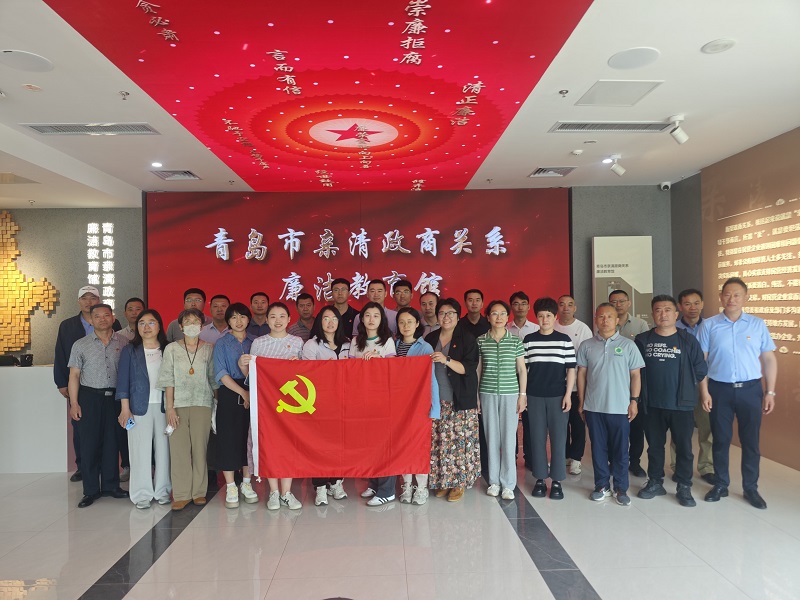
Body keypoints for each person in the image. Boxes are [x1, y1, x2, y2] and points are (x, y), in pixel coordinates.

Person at [698, 277, 777, 509]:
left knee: (750, 442)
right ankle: (721, 484)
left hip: (751, 390)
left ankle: (750, 488)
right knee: (720, 439)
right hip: (719, 390)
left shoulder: (757, 324)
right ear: (720, 297)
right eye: (727, 294)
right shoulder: (709, 325)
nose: (731, 299)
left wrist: (770, 392)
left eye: (737, 295)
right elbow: (701, 362)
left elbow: (769, 359)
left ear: (746, 298)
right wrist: (704, 391)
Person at [635, 295, 710, 507]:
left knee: (684, 447)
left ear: (676, 314)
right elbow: (633, 372)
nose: (663, 314)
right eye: (658, 310)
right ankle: (655, 482)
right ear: (652, 314)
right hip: (651, 404)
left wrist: (704, 394)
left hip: (681, 404)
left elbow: (700, 370)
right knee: (654, 446)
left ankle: (684, 486)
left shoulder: (688, 340)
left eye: (668, 310)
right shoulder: (642, 340)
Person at [577, 303, 644, 506]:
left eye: (609, 317)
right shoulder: (586, 345)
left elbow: (636, 375)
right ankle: (601, 486)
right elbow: (582, 375)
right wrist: (581, 402)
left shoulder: (628, 345)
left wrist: (634, 401)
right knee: (598, 449)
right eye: (601, 316)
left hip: (620, 408)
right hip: (594, 407)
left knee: (621, 450)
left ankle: (621, 488)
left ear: (617, 320)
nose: (605, 320)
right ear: (595, 320)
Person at [240, 302, 304, 510]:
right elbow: (253, 376)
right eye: (273, 316)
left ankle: (287, 492)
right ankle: (274, 492)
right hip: (266, 405)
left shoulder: (297, 342)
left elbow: (305, 374)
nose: (278, 320)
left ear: (289, 319)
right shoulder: (258, 343)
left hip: (290, 404)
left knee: (289, 446)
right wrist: (243, 366)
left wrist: (297, 364)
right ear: (266, 320)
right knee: (269, 446)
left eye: (282, 316)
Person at [54, 285, 121, 482]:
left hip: (111, 390)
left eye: (93, 298)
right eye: (85, 298)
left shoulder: (115, 327)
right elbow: (60, 354)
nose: (89, 301)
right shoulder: (67, 325)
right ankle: (83, 467)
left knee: (111, 433)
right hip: (82, 388)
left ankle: (109, 476)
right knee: (82, 430)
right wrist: (62, 382)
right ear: (79, 301)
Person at [67, 303, 129, 507]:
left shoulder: (124, 342)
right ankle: (91, 490)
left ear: (113, 317)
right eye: (97, 316)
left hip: (116, 399)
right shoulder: (80, 345)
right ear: (91, 320)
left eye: (106, 315)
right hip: (89, 398)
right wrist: (74, 403)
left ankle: (111, 486)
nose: (102, 319)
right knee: (89, 444)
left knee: (113, 442)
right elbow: (74, 375)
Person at [157, 308, 217, 510]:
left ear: (202, 325)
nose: (192, 325)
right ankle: (182, 494)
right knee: (179, 450)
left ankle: (199, 492)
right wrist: (170, 408)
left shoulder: (208, 348)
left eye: (196, 321)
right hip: (178, 405)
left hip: (203, 403)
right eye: (188, 321)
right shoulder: (171, 349)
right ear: (181, 326)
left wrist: (216, 405)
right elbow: (168, 379)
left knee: (200, 450)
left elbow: (212, 379)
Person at [425, 298, 480, 502]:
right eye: (442, 313)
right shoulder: (430, 338)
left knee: (459, 443)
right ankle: (443, 481)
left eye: (450, 313)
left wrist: (446, 359)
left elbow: (468, 368)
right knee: (440, 442)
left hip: (458, 399)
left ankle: (458, 483)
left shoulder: (467, 338)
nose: (446, 317)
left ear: (458, 316)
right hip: (436, 400)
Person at [116, 309, 171, 509]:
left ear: (159, 326)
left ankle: (163, 491)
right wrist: (125, 409)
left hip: (165, 408)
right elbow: (123, 381)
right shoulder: (130, 350)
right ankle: (141, 494)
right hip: (138, 408)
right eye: (142, 323)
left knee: (164, 452)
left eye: (151, 322)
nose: (146, 327)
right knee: (139, 451)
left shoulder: (169, 349)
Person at [523, 297, 576, 500]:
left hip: (558, 396)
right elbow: (523, 370)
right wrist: (523, 395)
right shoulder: (529, 340)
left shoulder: (564, 340)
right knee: (536, 437)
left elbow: (571, 369)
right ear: (536, 318)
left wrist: (568, 395)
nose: (544, 320)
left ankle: (556, 480)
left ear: (555, 317)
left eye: (548, 316)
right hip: (534, 396)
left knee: (558, 438)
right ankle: (539, 478)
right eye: (540, 316)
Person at [476, 300, 526, 500]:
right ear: (488, 317)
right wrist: (476, 396)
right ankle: (494, 482)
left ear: (507, 317)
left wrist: (522, 395)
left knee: (509, 439)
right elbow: (478, 370)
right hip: (487, 393)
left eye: (502, 313)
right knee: (491, 438)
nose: (498, 317)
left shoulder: (515, 341)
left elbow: (522, 370)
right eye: (494, 313)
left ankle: (508, 484)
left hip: (510, 394)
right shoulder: (481, 341)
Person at [349, 302, 398, 505]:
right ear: (361, 319)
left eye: (375, 315)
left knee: (384, 444)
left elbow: (393, 370)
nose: (371, 319)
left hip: (382, 399)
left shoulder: (387, 341)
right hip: (361, 399)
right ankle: (374, 482)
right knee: (368, 443)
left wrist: (379, 358)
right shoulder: (355, 341)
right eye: (367, 315)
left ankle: (387, 490)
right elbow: (349, 370)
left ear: (381, 319)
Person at [303, 306, 350, 506]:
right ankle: (320, 486)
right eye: (326, 318)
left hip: (343, 402)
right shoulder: (311, 345)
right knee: (320, 446)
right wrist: (325, 369)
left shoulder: (348, 343)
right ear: (319, 322)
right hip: (319, 403)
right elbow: (306, 373)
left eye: (334, 319)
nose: (330, 322)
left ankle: (336, 482)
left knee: (340, 444)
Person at [213, 303, 259, 509]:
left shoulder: (255, 342)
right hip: (230, 392)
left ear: (249, 319)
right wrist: (243, 392)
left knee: (248, 438)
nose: (238, 321)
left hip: (254, 390)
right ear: (228, 321)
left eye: (242, 317)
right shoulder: (221, 343)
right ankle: (231, 486)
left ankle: (247, 483)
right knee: (229, 439)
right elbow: (221, 373)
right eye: (233, 317)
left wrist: (251, 392)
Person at [395, 307, 440, 505]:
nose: (406, 326)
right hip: (399, 406)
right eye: (402, 322)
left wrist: (434, 407)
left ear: (416, 324)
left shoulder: (425, 347)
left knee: (419, 446)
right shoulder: (394, 345)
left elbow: (431, 380)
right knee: (402, 445)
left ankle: (421, 487)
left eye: (410, 322)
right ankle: (406, 484)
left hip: (419, 405)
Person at [672, 288, 715, 485]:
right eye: (687, 304)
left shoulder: (711, 327)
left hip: (705, 384)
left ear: (702, 304)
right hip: (680, 384)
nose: (693, 308)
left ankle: (707, 466)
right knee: (679, 429)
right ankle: (678, 466)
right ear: (680, 307)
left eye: (696, 303)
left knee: (707, 428)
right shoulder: (672, 328)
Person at [608, 289, 650, 479]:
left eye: (621, 301)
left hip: (634, 381)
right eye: (613, 301)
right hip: (613, 383)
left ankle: (635, 462)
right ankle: (614, 461)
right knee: (614, 427)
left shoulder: (641, 325)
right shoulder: (606, 322)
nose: (618, 305)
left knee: (636, 426)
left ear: (628, 303)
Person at [554, 294, 593, 475]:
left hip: (578, 385)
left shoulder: (583, 329)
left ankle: (576, 458)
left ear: (575, 308)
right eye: (562, 304)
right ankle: (564, 456)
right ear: (557, 308)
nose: (566, 308)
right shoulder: (552, 326)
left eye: (570, 304)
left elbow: (588, 358)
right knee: (560, 424)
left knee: (577, 423)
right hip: (556, 385)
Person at [507, 291, 540, 470]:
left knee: (530, 421)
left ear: (528, 306)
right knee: (510, 422)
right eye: (516, 303)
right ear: (511, 307)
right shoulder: (504, 328)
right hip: (509, 381)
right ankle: (510, 456)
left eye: (523, 303)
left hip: (531, 381)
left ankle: (530, 457)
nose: (519, 307)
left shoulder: (536, 329)